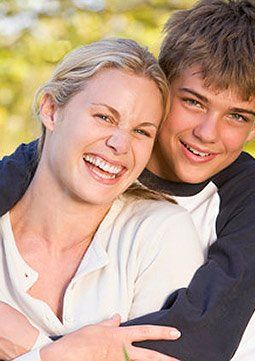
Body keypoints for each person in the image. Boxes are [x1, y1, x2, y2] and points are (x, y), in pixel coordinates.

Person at [1, 0, 255, 360]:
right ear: (162, 92)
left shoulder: (254, 198)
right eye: (194, 102)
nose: (207, 133)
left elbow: (199, 342)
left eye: (237, 116)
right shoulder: (94, 157)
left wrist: (38, 348)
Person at [0, 37, 206, 361]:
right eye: (105, 117)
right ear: (52, 110)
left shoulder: (158, 235)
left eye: (142, 131)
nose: (120, 144)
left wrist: (34, 348)